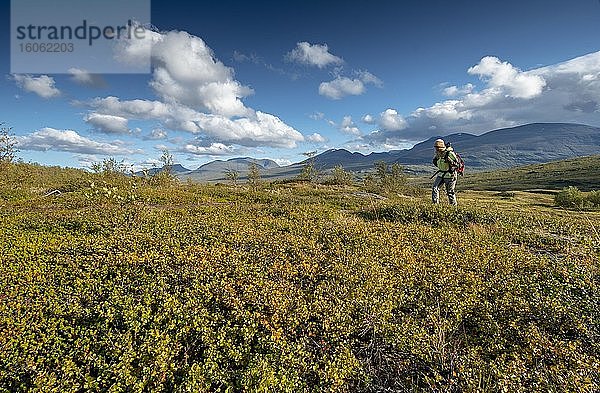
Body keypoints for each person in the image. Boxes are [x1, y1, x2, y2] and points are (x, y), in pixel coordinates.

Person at [431, 138, 458, 206]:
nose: (436, 149)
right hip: (441, 174)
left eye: (437, 147)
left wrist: (450, 162)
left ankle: (453, 207)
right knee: (435, 188)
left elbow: (457, 164)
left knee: (450, 192)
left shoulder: (449, 153)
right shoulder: (438, 154)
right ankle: (435, 205)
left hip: (450, 175)